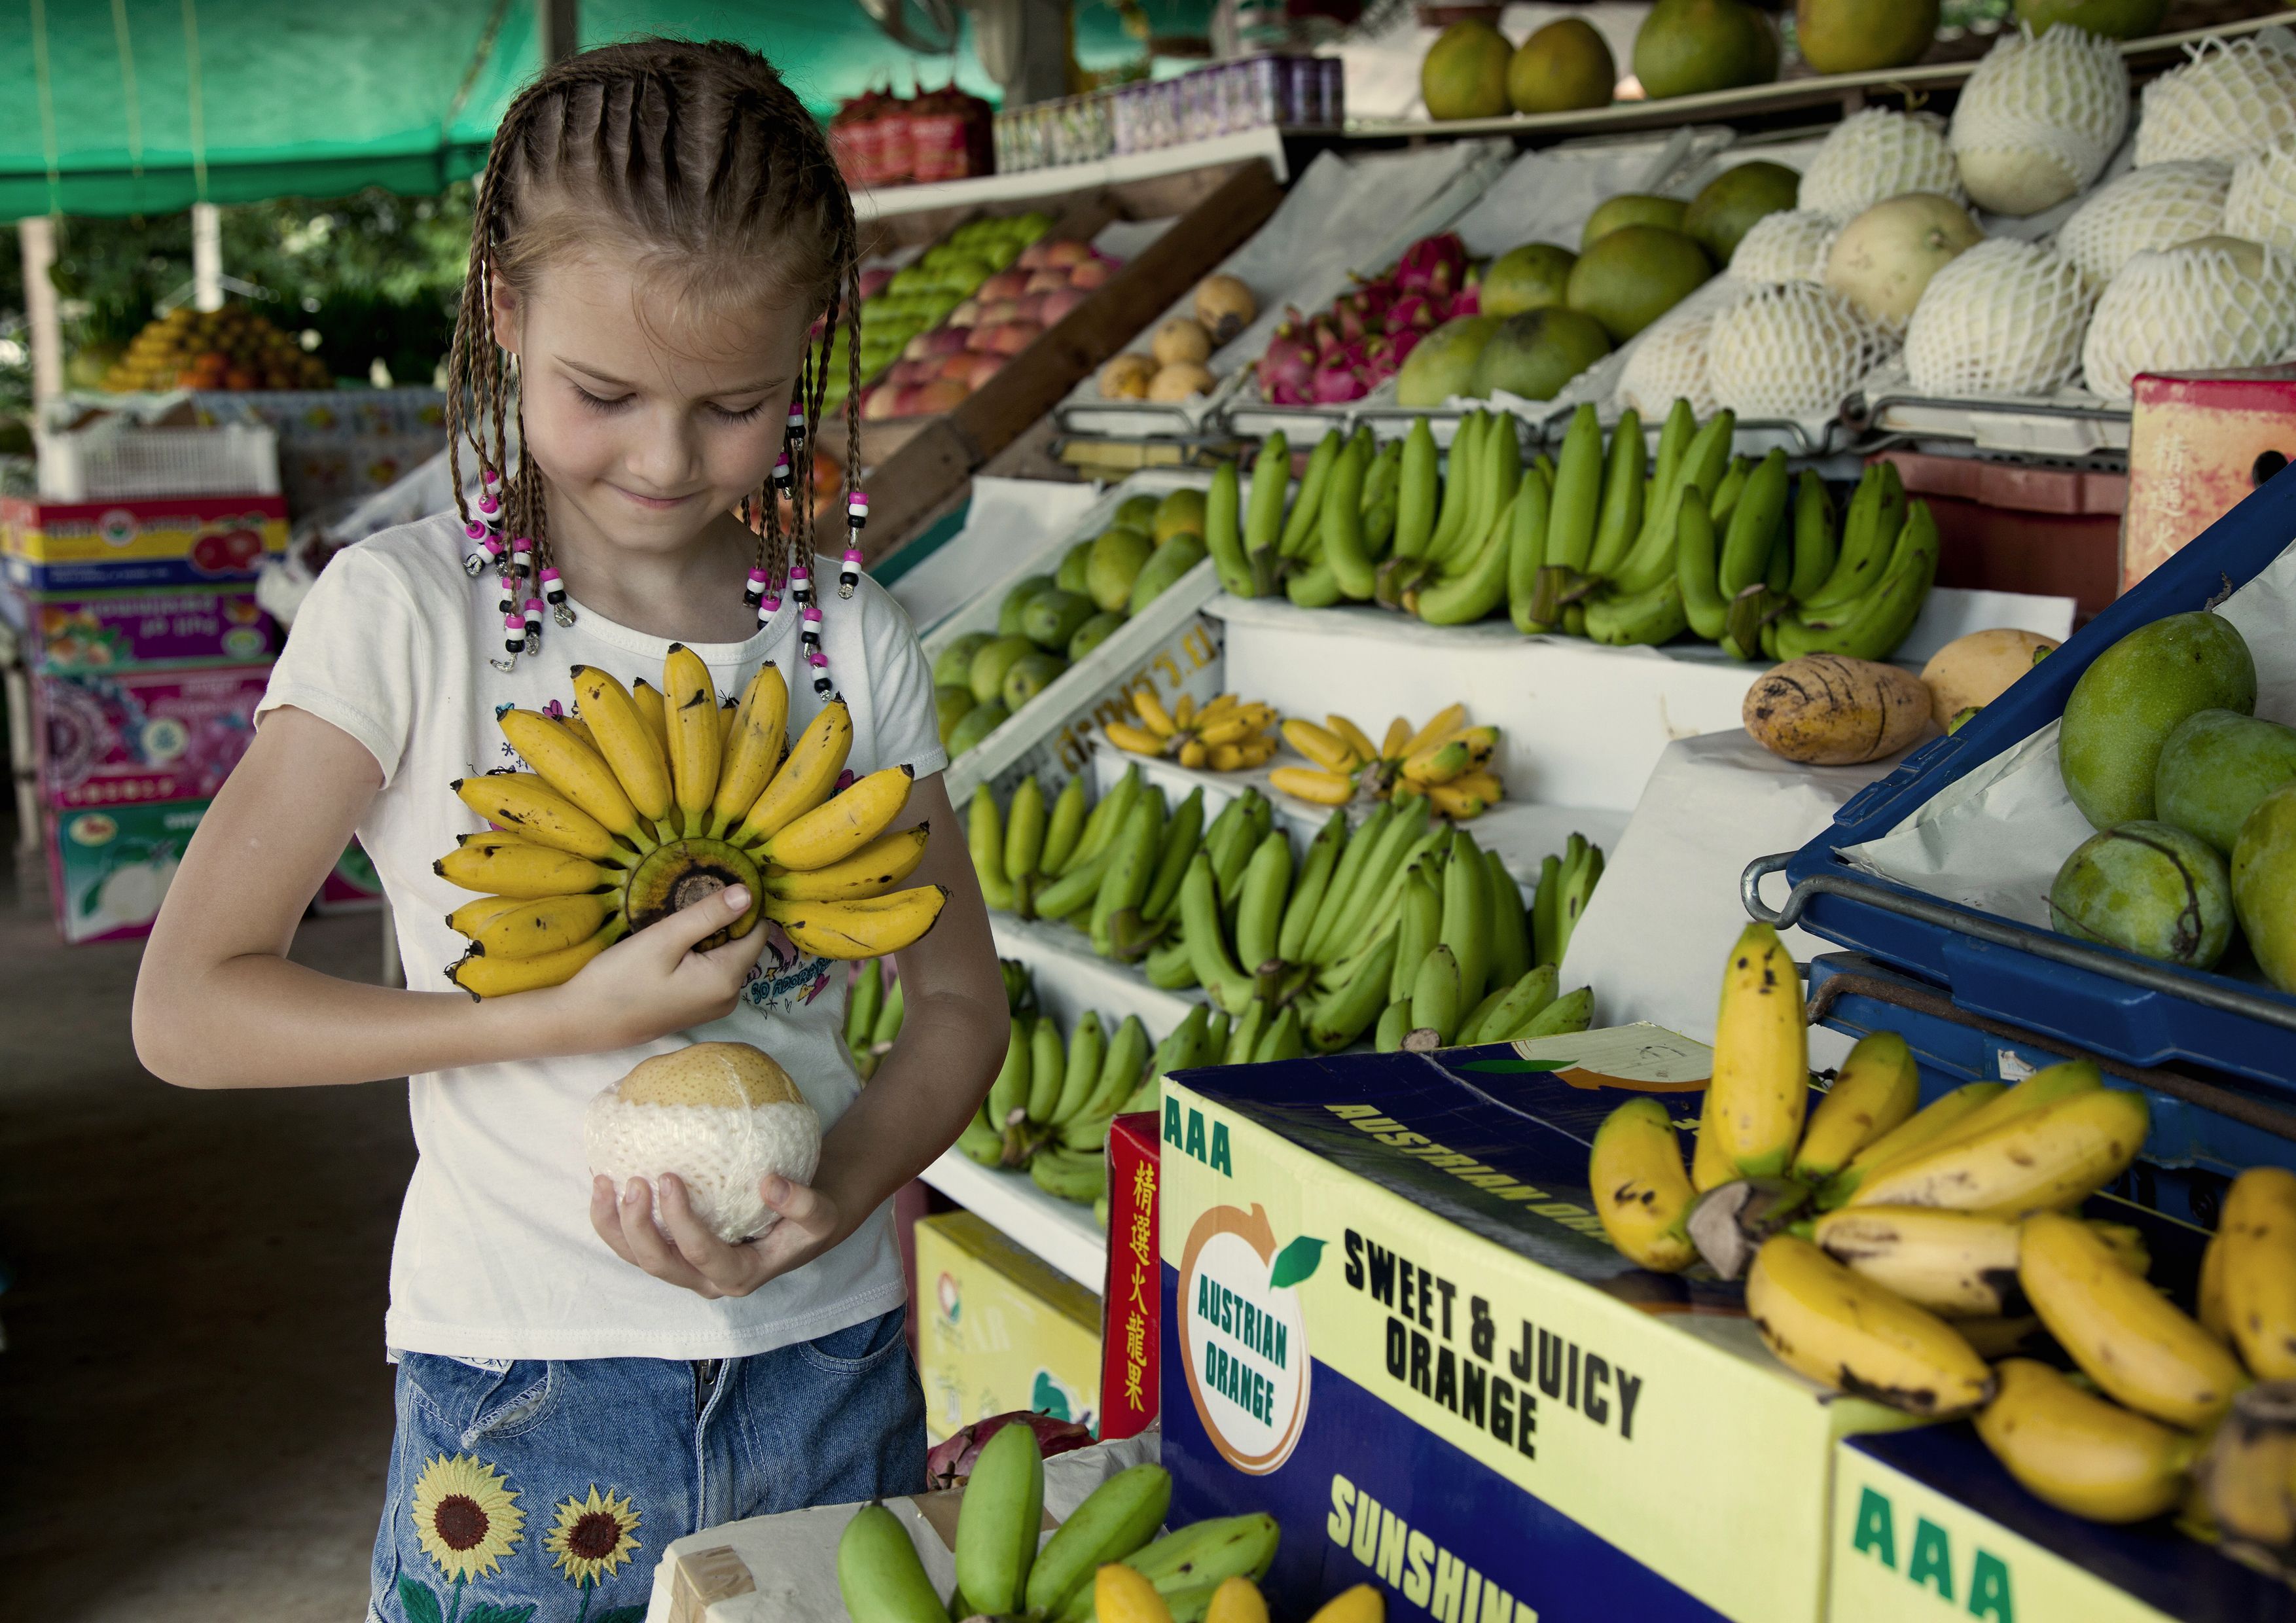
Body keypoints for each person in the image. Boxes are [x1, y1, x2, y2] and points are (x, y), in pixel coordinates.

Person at [132, 40, 1009, 1623]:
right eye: (602, 396)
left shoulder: (848, 638)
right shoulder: (406, 616)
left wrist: (847, 1180)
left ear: (807, 357)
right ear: (504, 319)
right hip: (520, 1375)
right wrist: (557, 1017)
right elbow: (188, 1006)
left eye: (736, 406)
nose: (666, 461)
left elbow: (956, 1002)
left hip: (828, 1358)